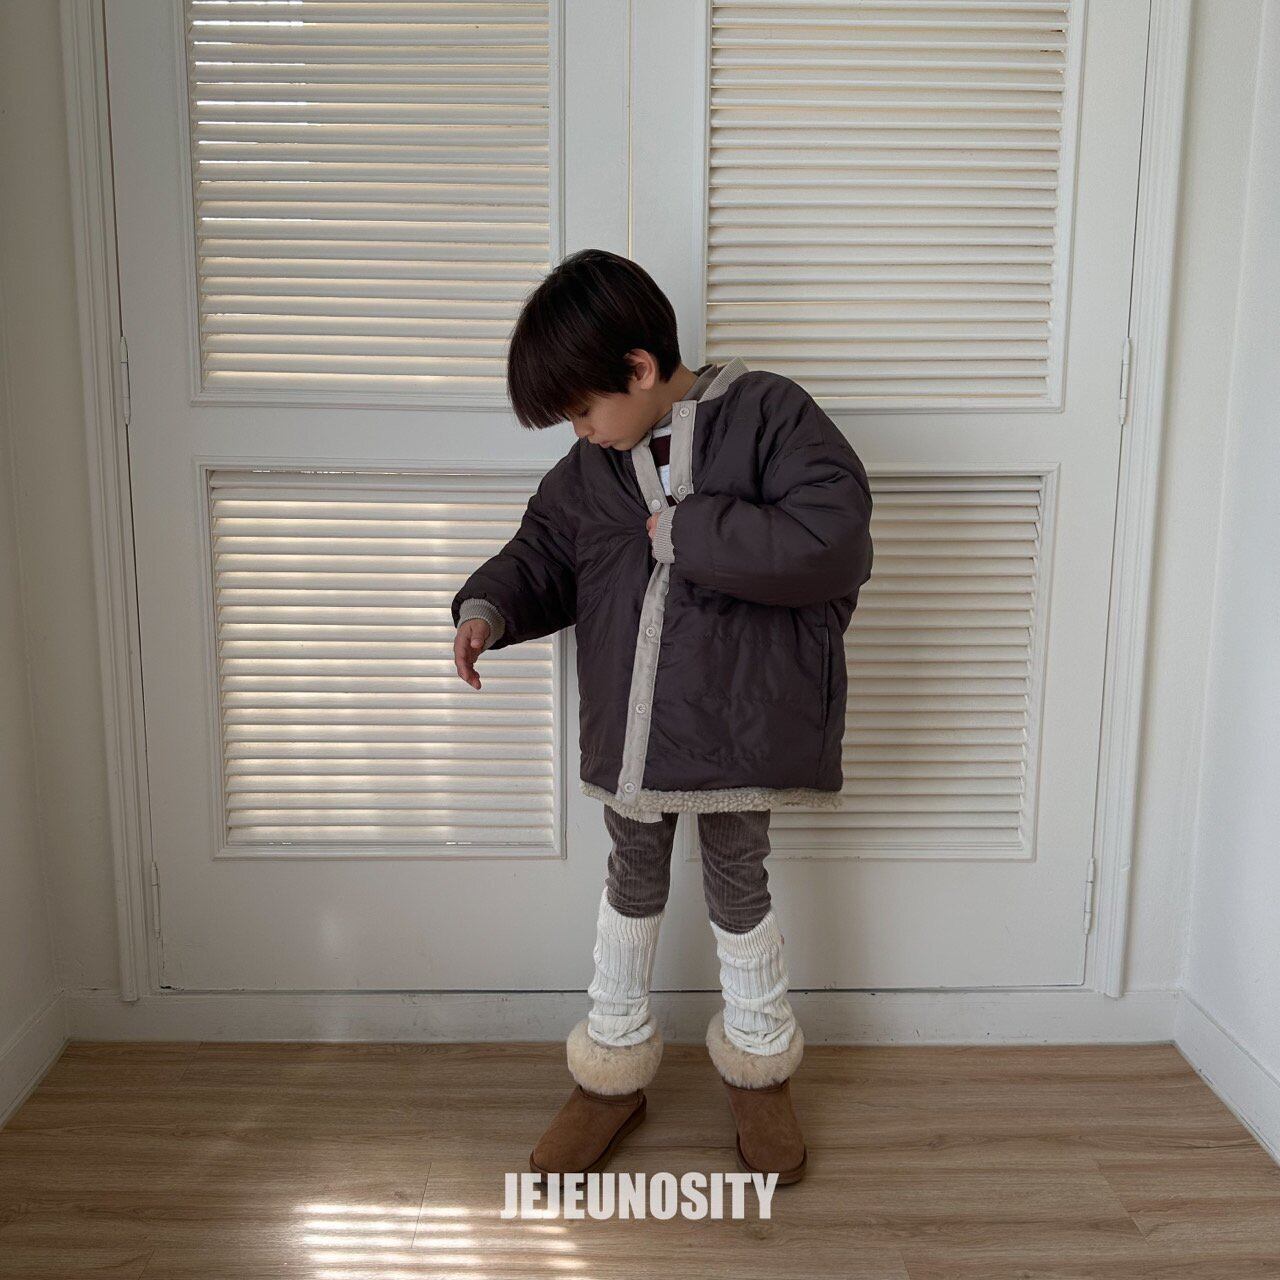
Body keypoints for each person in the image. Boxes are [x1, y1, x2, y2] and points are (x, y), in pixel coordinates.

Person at [451, 248, 873, 1186]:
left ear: (639, 369)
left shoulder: (769, 415)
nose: (581, 432)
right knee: (629, 879)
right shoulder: (589, 470)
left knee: (737, 881)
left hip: (737, 725)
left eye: (582, 410)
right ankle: (611, 1070)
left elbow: (832, 536)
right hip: (633, 733)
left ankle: (760, 1068)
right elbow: (543, 553)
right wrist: (487, 607)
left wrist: (690, 529)